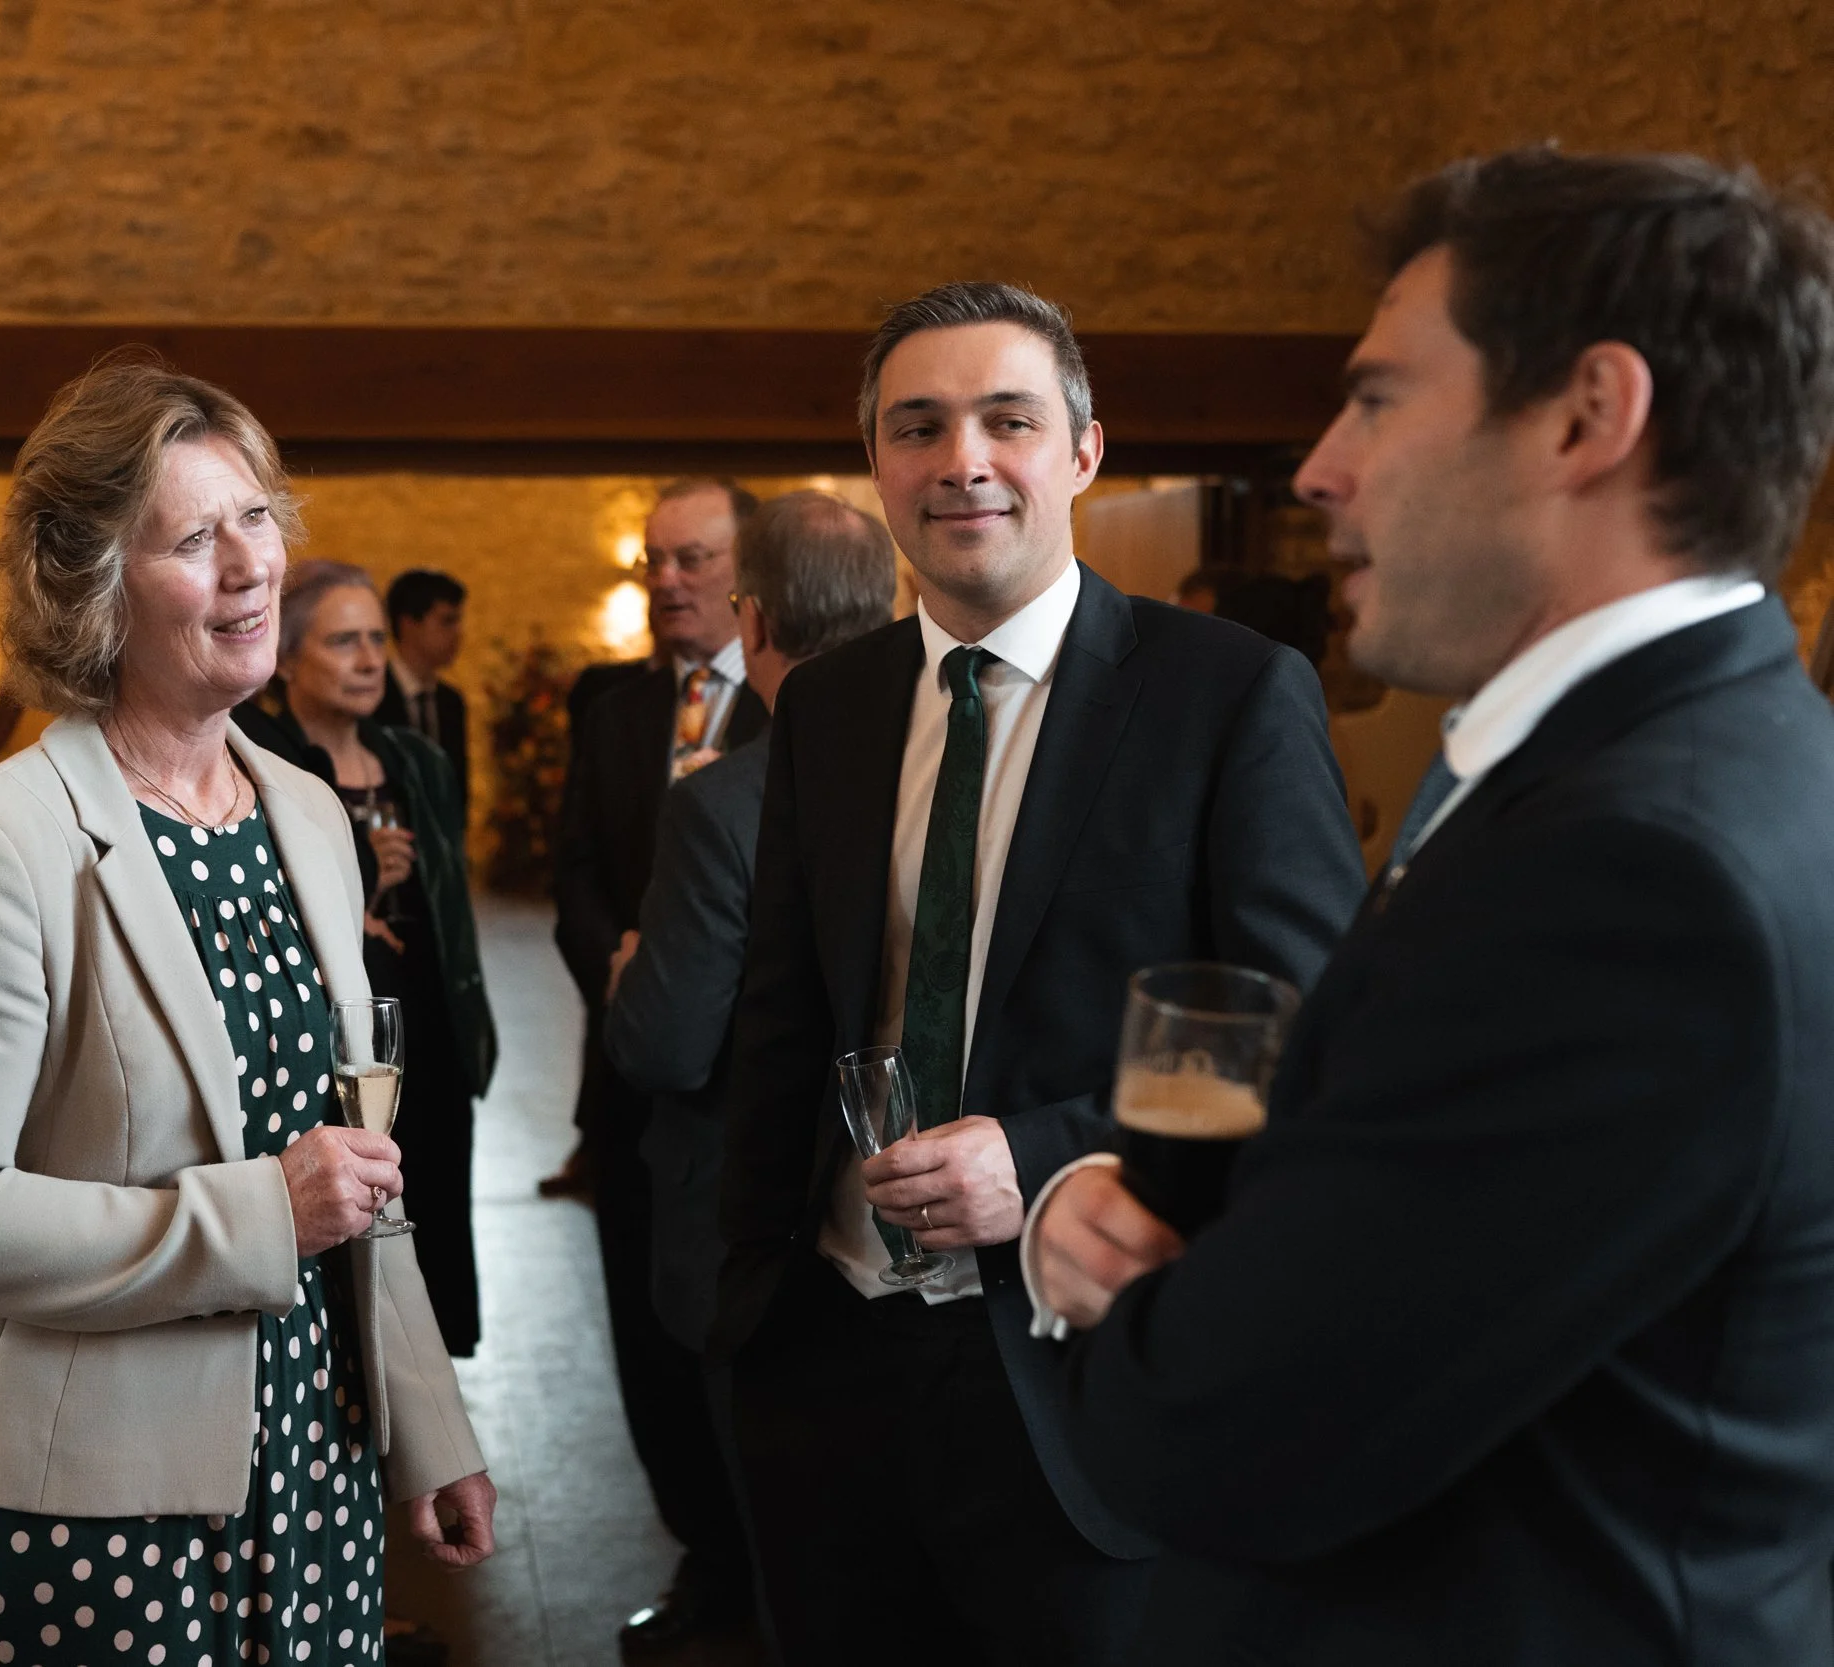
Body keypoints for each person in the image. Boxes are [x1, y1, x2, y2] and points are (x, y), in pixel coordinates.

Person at [1030, 148, 1834, 1667]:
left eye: (1380, 397)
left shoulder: (1630, 875)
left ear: (1588, 415)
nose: (1323, 465)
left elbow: (1214, 1436)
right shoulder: (1748, 755)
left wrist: (1091, 1246)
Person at [715, 281, 1367, 1666]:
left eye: (1007, 418)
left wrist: (1047, 1151)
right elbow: (778, 1012)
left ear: (1082, 449)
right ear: (880, 465)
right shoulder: (828, 706)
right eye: (918, 426)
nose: (961, 457)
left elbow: (1306, 1030)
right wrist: (733, 1317)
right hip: (829, 1361)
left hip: (1078, 1369)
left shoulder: (1229, 693)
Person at [0, 353, 495, 1667]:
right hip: (98, 1505)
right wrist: (258, 1213)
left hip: (316, 1456)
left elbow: (356, 1157)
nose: (253, 564)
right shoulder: (0, 836)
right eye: (197, 537)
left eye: (257, 515)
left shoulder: (308, 812)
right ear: (92, 582)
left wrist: (427, 1417)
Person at [554, 477, 769, 1655]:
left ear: (748, 576)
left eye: (692, 559)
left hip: (740, 1098)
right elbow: (575, 874)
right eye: (654, 561)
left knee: (727, 1340)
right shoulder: (616, 713)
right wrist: (626, 966)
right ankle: (698, 1552)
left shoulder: (803, 713)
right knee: (643, 1334)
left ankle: (758, 1566)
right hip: (625, 1083)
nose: (668, 582)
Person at [606, 491, 896, 1358]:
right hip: (918, 1209)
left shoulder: (723, 803)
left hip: (755, 1220)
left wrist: (634, 975)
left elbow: (664, 1046)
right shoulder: (951, 771)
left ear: (756, 623)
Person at [238, 561, 497, 1357]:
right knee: (358, 1228)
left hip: (427, 1019)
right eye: (343, 641)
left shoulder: (416, 759)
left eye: (378, 640)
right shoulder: (261, 760)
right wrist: (355, 877)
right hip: (333, 1040)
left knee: (435, 1210)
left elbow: (451, 905)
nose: (369, 659)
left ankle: (435, 1393)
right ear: (285, 656)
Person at [373, 568, 472, 808]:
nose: (458, 633)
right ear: (408, 624)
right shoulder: (373, 695)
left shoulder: (451, 701)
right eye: (447, 621)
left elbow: (456, 788)